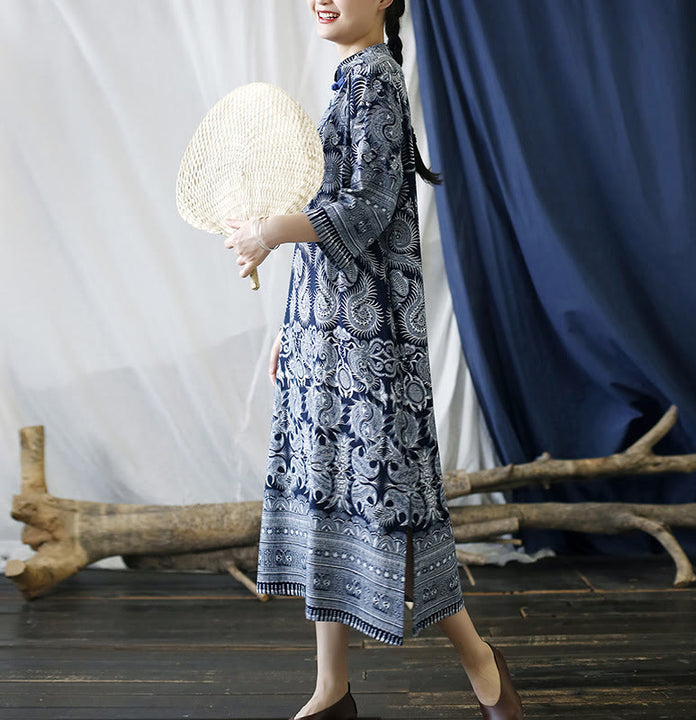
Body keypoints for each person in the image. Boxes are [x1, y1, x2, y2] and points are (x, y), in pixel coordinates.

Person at [224, 2, 523, 718]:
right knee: (329, 501)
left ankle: (483, 664)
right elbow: (333, 220)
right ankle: (331, 692)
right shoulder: (347, 77)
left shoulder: (374, 79)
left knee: (397, 510)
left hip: (369, 353)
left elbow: (362, 210)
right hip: (324, 339)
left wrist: (268, 232)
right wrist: (291, 328)